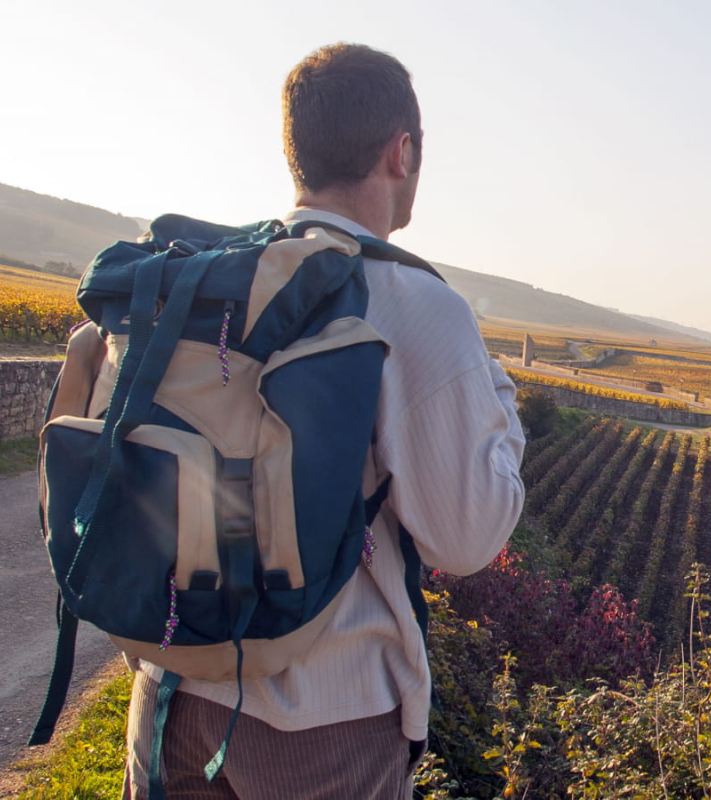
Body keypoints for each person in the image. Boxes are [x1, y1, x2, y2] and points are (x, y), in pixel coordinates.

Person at [123, 43, 527, 799]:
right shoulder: (417, 308)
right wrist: (503, 415)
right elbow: (467, 538)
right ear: (400, 152)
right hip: (325, 728)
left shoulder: (214, 276)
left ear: (296, 152)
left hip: (171, 694)